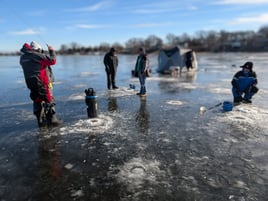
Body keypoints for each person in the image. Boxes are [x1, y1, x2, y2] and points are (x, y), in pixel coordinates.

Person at [20, 41, 63, 127]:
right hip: (42, 81)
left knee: (37, 99)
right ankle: (52, 120)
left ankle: (40, 120)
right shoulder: (37, 56)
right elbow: (52, 60)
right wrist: (51, 51)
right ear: (38, 50)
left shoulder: (23, 57)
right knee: (48, 98)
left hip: (31, 82)